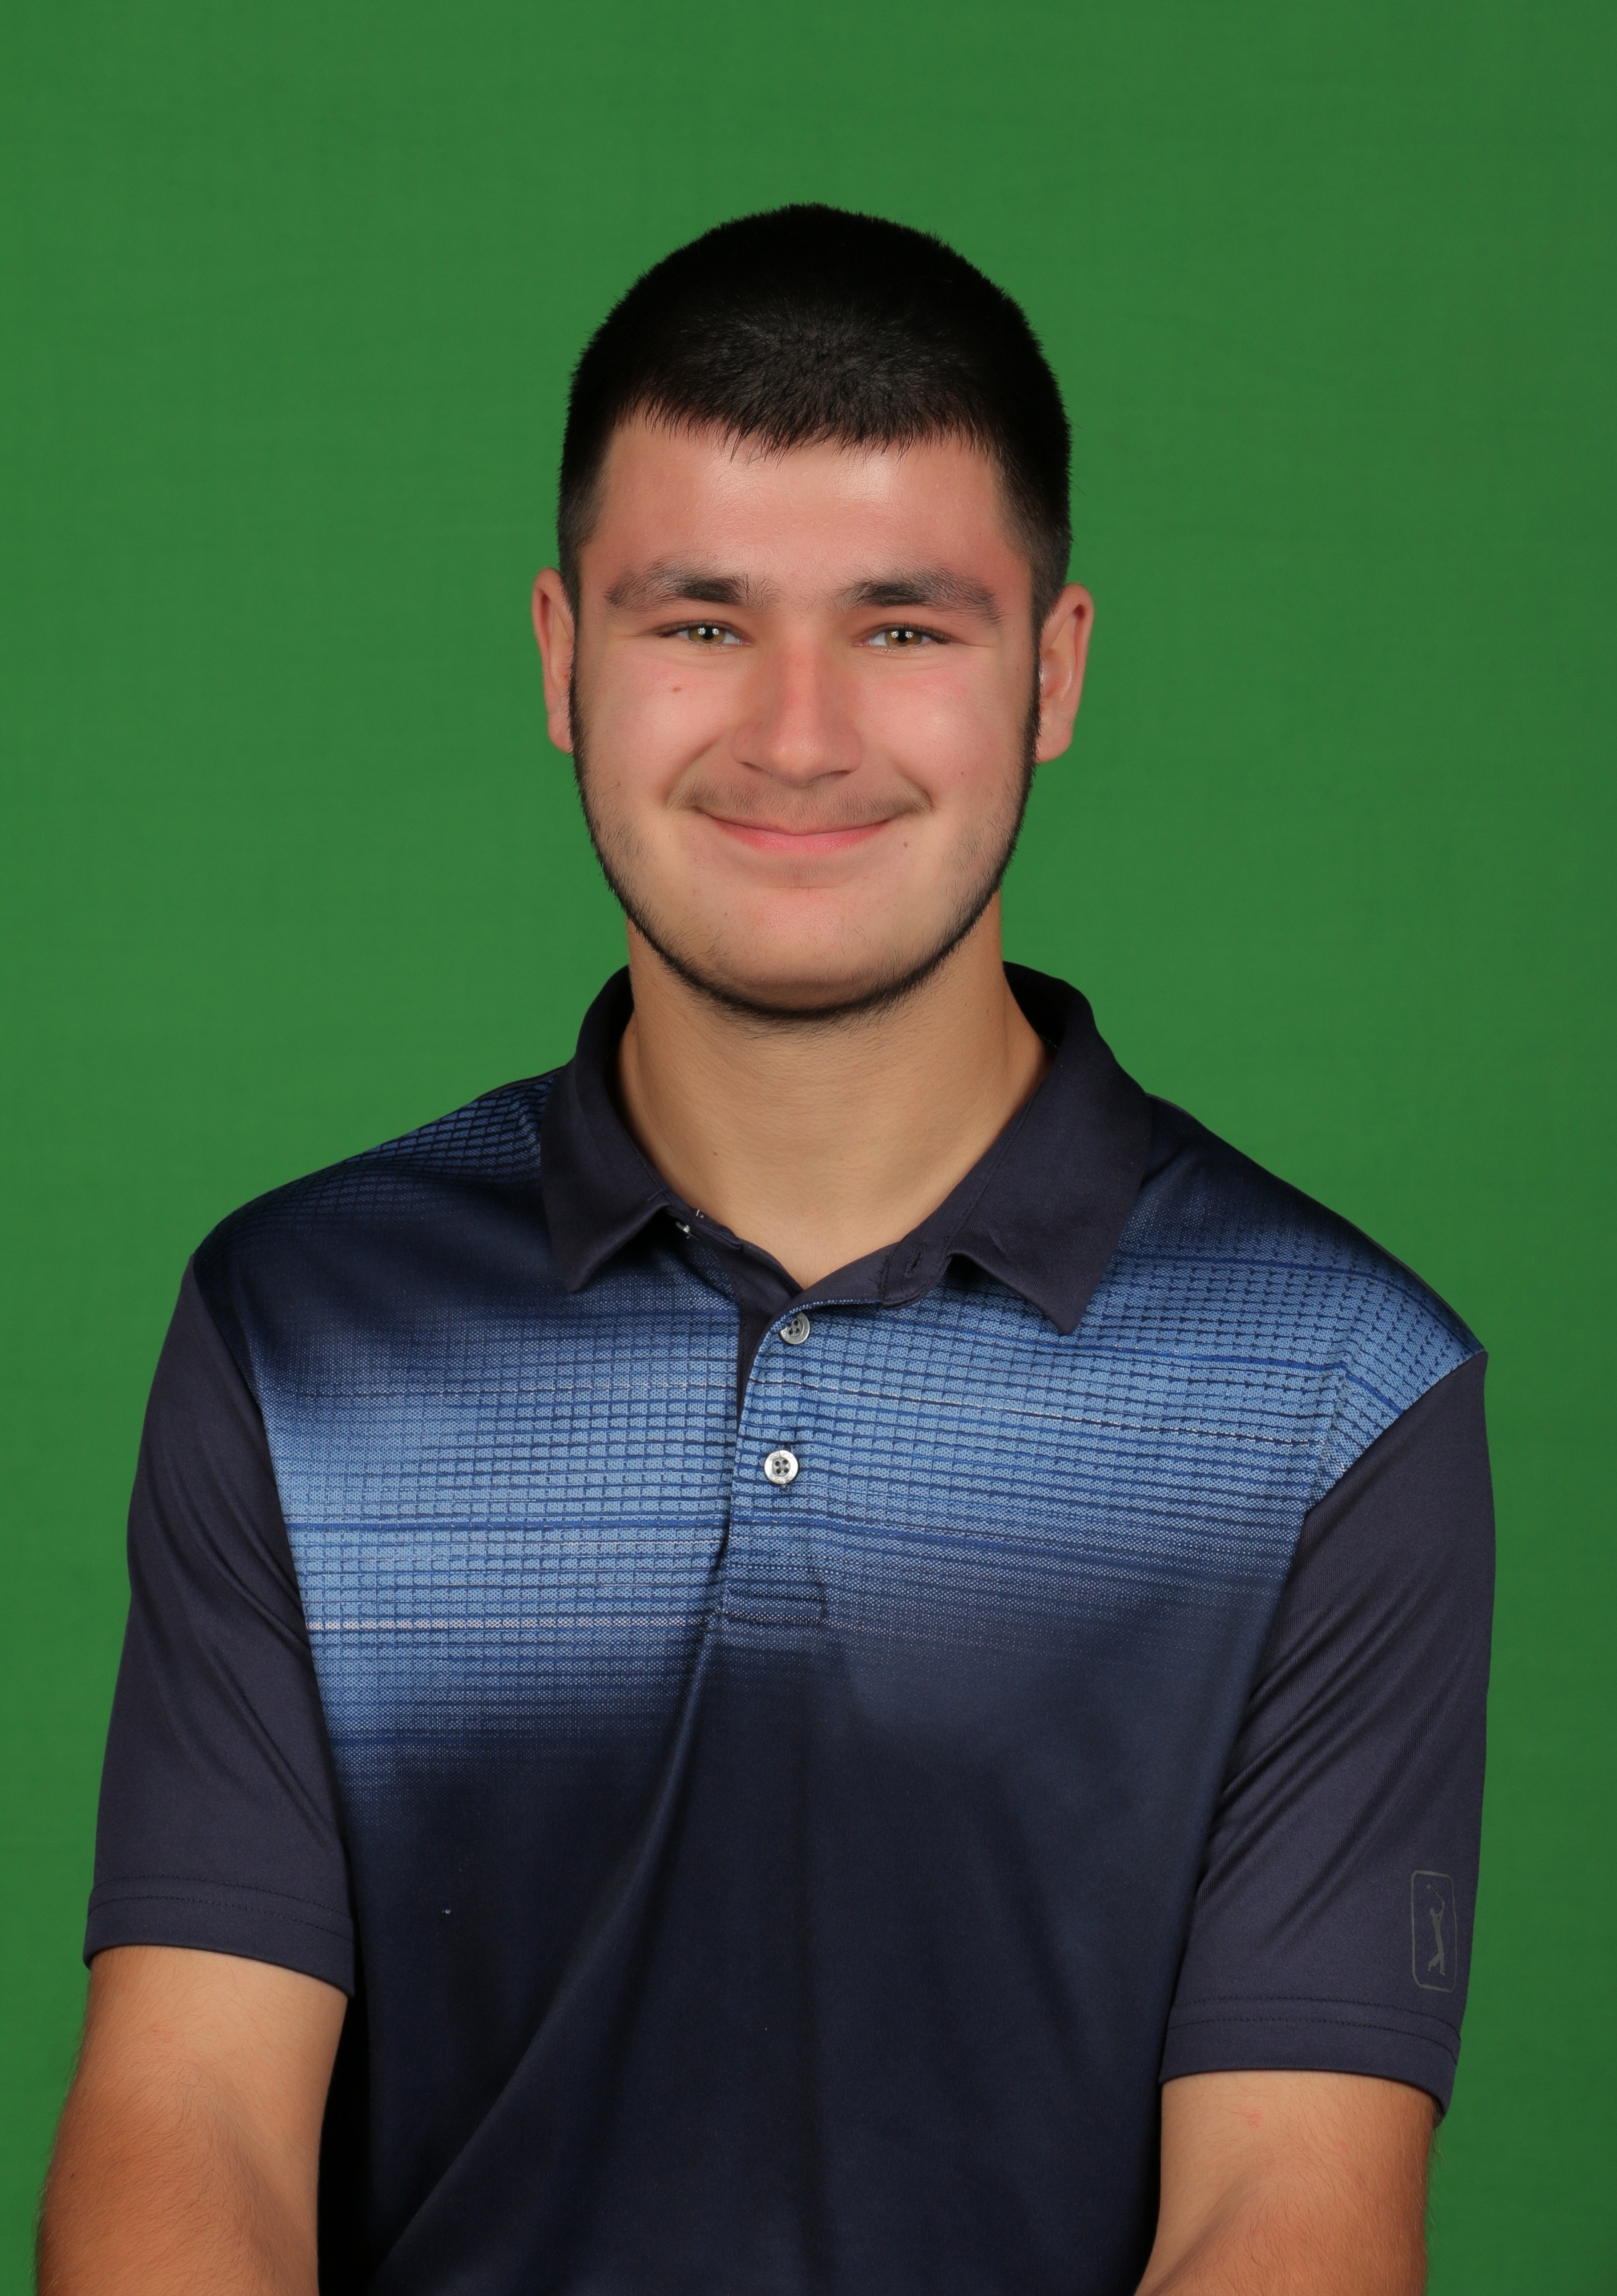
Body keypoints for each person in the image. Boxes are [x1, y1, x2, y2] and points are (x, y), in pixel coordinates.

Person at [39, 205, 1492, 2296]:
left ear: (1055, 671)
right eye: (701, 622)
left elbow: (1294, 2215)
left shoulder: (1336, 1394)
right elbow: (190, 2121)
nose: (798, 736)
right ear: (561, 657)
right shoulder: (304, 1334)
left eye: (904, 629)